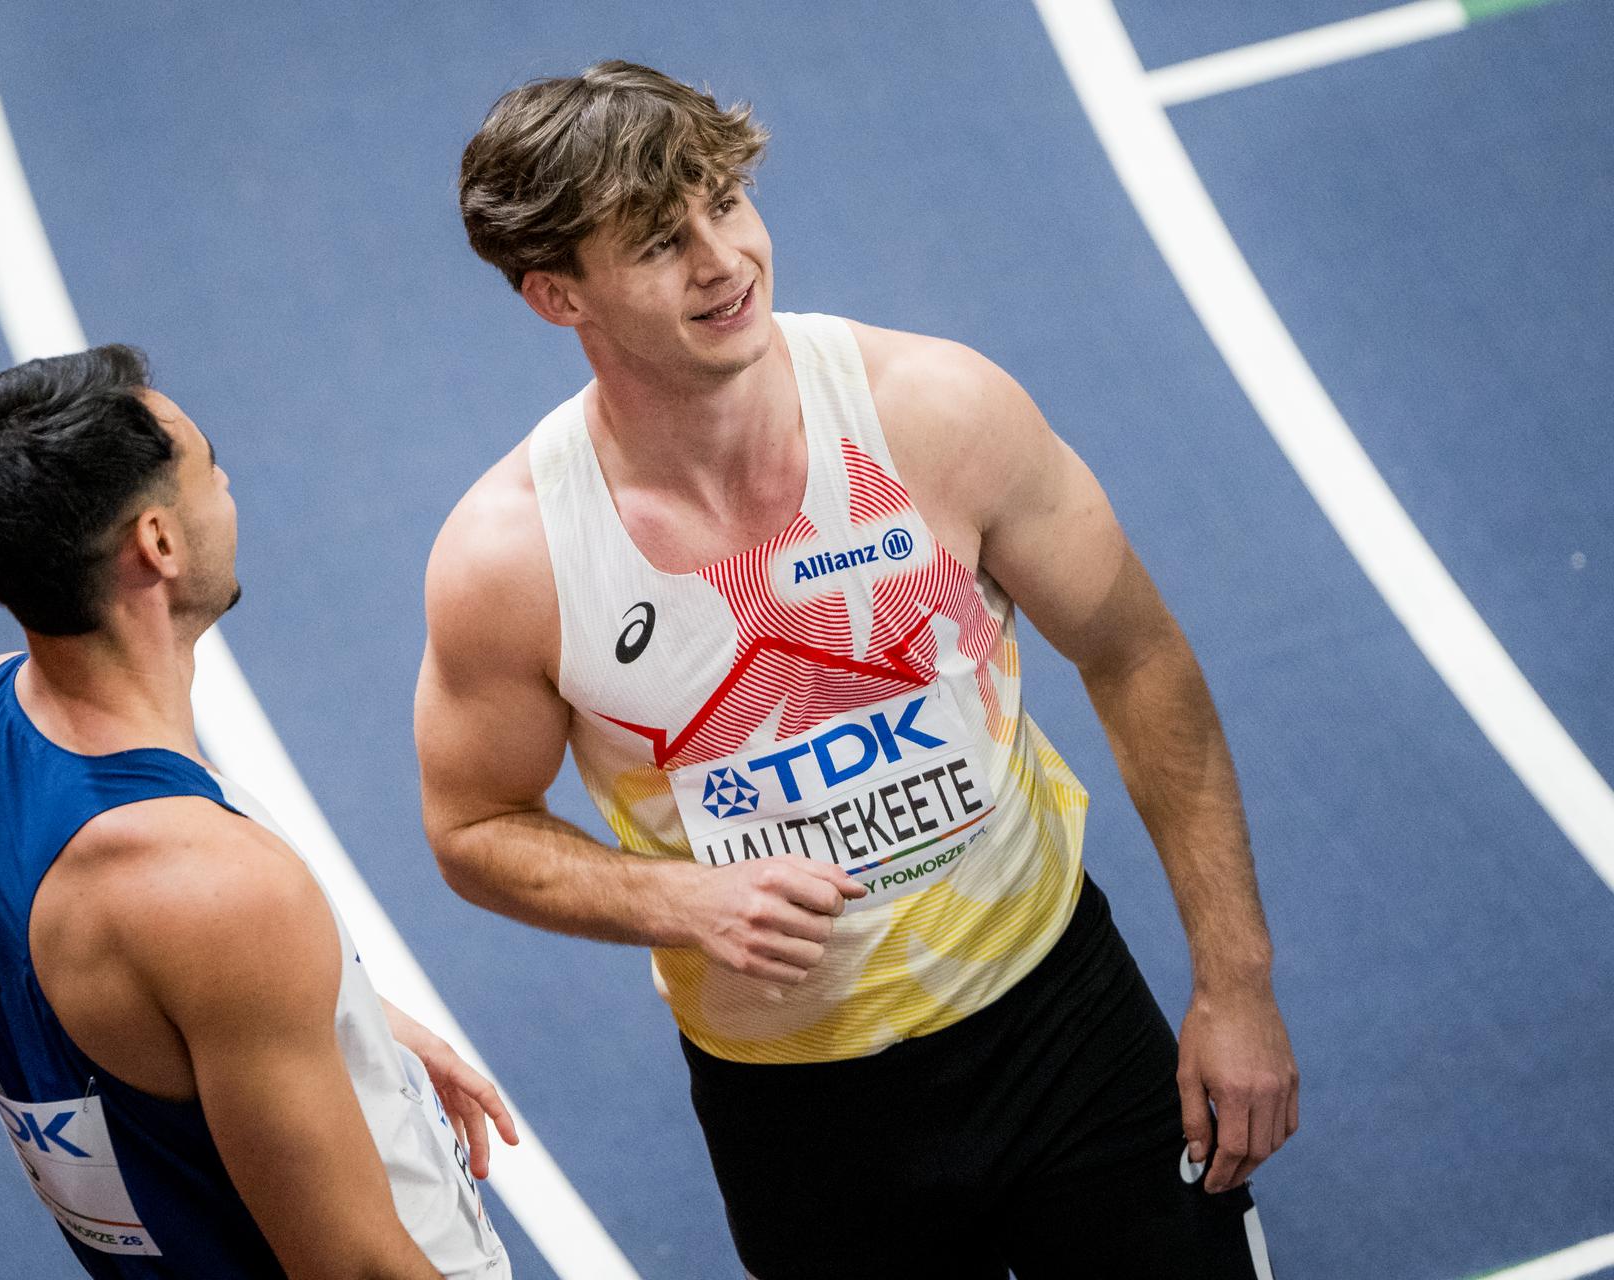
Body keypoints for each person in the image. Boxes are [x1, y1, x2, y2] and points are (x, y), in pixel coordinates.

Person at [417, 61, 1298, 1278]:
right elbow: (471, 825)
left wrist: (1237, 982)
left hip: (1062, 1024)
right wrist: (672, 899)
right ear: (555, 295)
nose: (725, 259)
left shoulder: (936, 411)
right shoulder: (511, 558)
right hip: (799, 1115)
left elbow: (1138, 657)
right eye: (662, 242)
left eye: (727, 203)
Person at [0, 346, 513, 1279]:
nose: (228, 484)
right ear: (158, 541)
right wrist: (262, 994)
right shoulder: (218, 895)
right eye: (209, 466)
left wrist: (343, 1022)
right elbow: (356, 1270)